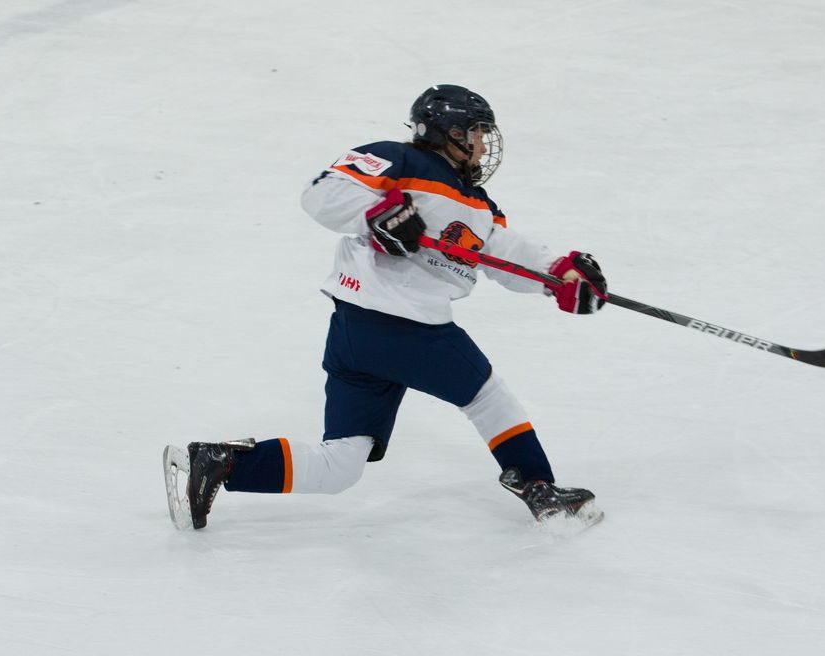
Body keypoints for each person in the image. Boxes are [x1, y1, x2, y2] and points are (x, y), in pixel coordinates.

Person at [166, 85, 609, 531]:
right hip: (402, 323)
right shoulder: (399, 160)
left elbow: (503, 250)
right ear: (449, 132)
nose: (482, 143)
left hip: (357, 336)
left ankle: (217, 464)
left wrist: (558, 274)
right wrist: (379, 212)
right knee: (487, 396)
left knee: (340, 465)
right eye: (475, 131)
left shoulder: (478, 204)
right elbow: (323, 193)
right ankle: (540, 489)